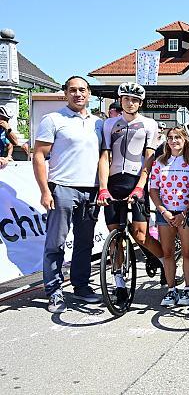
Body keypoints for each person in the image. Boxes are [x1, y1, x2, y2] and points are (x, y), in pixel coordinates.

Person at [33, 76, 104, 313]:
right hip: (62, 188)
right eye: (72, 90)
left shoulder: (98, 123)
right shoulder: (52, 119)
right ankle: (54, 291)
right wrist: (45, 191)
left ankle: (81, 286)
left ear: (89, 93)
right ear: (65, 93)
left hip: (91, 190)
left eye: (82, 90)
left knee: (84, 243)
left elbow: (104, 158)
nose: (78, 94)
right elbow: (39, 156)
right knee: (56, 243)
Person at [97, 82, 164, 296]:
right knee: (115, 234)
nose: (130, 102)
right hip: (114, 182)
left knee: (140, 235)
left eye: (134, 100)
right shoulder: (109, 124)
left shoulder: (149, 124)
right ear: (120, 100)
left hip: (136, 182)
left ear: (140, 103)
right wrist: (103, 188)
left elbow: (149, 158)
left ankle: (163, 261)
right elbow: (105, 157)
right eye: (126, 99)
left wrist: (140, 188)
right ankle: (119, 282)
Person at [149, 127, 189, 306]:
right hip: (165, 214)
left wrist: (185, 212)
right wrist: (163, 211)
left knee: (187, 253)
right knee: (167, 253)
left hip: (186, 214)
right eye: (170, 137)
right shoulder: (159, 162)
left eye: (177, 137)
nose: (173, 140)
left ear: (185, 140)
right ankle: (170, 290)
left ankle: (187, 288)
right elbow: (153, 189)